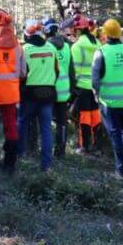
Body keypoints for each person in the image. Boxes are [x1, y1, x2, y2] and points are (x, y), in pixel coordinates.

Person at [92, 19, 123, 177]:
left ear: (105, 33)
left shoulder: (101, 52)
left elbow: (95, 80)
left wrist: (97, 95)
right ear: (119, 33)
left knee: (115, 134)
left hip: (108, 102)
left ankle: (120, 171)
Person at [0, 10, 24, 175]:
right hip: (10, 94)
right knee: (11, 129)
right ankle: (9, 166)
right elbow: (22, 73)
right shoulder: (18, 46)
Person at [19, 21, 60, 171]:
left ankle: (19, 157)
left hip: (29, 93)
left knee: (22, 124)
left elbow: (21, 74)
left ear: (27, 34)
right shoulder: (51, 48)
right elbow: (57, 71)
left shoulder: (24, 49)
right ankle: (46, 165)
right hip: (48, 93)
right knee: (46, 129)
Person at [70, 15, 102, 154]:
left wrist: (73, 86)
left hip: (82, 87)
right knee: (96, 116)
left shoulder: (77, 46)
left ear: (77, 30)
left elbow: (75, 69)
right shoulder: (97, 43)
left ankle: (85, 147)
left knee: (84, 116)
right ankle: (97, 145)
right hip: (96, 87)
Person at [44, 18, 75, 159]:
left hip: (49, 91)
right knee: (62, 123)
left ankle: (47, 150)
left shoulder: (46, 47)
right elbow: (71, 71)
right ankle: (60, 151)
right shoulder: (68, 47)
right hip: (64, 91)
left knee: (47, 122)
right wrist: (73, 91)